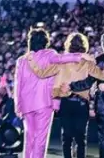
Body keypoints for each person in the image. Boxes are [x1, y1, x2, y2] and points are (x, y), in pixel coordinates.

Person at [27, 32, 104, 158]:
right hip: (82, 104)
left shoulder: (61, 62)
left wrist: (31, 60)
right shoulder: (87, 62)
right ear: (84, 46)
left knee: (67, 138)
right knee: (81, 139)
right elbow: (103, 76)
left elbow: (41, 73)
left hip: (65, 103)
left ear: (68, 45)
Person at [13, 26, 92, 158]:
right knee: (40, 139)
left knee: (30, 138)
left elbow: (17, 84)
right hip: (44, 102)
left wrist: (18, 106)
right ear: (46, 42)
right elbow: (63, 59)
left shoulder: (21, 60)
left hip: (26, 104)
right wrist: (80, 56)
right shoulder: (50, 54)